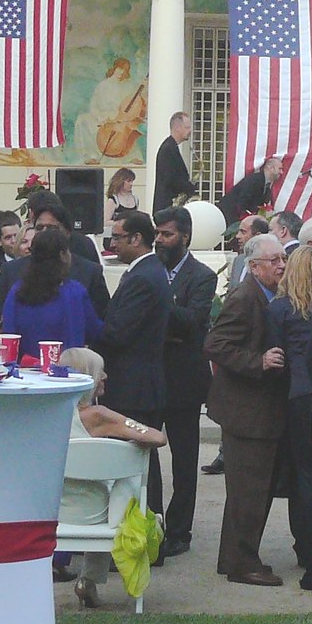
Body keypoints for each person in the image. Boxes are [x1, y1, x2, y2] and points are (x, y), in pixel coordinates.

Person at [206, 234, 291, 585]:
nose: (282, 266)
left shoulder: (269, 295)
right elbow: (216, 344)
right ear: (254, 266)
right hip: (246, 414)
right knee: (249, 492)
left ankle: (235, 558)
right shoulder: (244, 297)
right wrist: (258, 361)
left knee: (250, 491)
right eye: (274, 261)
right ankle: (243, 564)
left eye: (283, 259)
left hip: (259, 412)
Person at [59, 348, 168, 608]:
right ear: (89, 378)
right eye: (101, 372)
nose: (106, 376)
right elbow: (157, 437)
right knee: (124, 485)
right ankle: (89, 579)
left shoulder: (46, 414)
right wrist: (130, 441)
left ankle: (89, 582)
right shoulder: (99, 417)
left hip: (55, 508)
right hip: (95, 512)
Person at [101, 210, 173, 520]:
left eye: (117, 237)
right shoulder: (143, 271)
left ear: (137, 238)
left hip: (134, 388)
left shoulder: (145, 276)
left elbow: (118, 332)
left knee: (138, 466)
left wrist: (92, 333)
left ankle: (146, 537)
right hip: (135, 384)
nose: (112, 243)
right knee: (137, 466)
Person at [153, 205, 216, 556]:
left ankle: (180, 530)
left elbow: (192, 322)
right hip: (149, 378)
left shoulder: (202, 276)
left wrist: (160, 301)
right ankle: (151, 524)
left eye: (167, 234)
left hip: (184, 382)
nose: (160, 240)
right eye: (158, 233)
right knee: (145, 458)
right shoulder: (147, 270)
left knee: (183, 461)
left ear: (185, 237)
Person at [270, 242, 312, 590]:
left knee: (303, 478)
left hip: (297, 397)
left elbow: (277, 357)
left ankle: (306, 548)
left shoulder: (281, 309)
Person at [2, 225, 104, 364]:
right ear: (63, 255)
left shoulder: (17, 290)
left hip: (25, 370)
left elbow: (8, 333)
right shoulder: (75, 292)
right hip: (66, 371)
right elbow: (94, 331)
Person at [217, 156, 283, 223]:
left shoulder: (266, 186)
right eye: (279, 169)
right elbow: (243, 201)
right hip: (228, 215)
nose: (281, 172)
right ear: (271, 168)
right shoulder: (254, 180)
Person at [153, 111, 195, 212]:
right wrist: (188, 187)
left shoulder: (171, 147)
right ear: (177, 128)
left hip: (170, 206)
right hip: (167, 206)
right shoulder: (168, 149)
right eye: (187, 127)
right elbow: (170, 178)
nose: (190, 131)